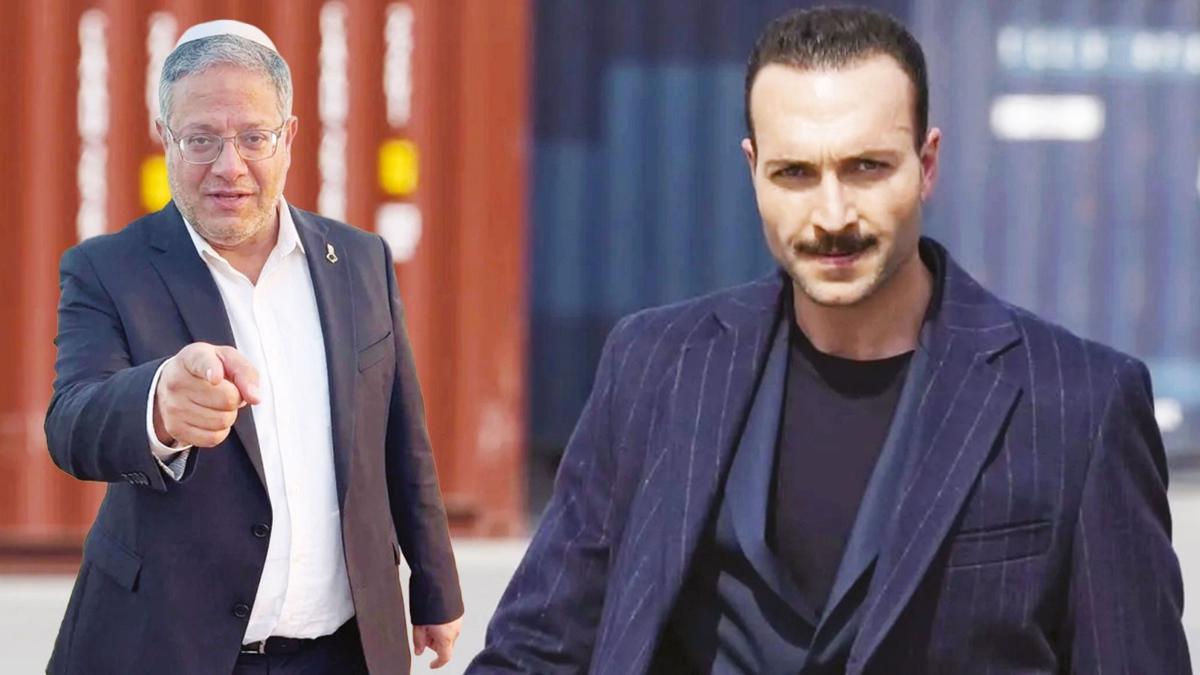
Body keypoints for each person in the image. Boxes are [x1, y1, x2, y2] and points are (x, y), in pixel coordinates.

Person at [471, 6, 1189, 674]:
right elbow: (536, 651)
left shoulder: (1078, 404)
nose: (832, 214)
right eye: (795, 173)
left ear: (926, 164)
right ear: (753, 170)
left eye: (866, 167)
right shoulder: (655, 366)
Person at [44, 20, 463, 674]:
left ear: (289, 136)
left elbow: (401, 436)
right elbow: (71, 422)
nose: (228, 166)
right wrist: (157, 407)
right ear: (165, 138)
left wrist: (436, 585)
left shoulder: (359, 260)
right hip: (169, 648)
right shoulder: (108, 268)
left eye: (253, 137)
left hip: (342, 651)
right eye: (201, 139)